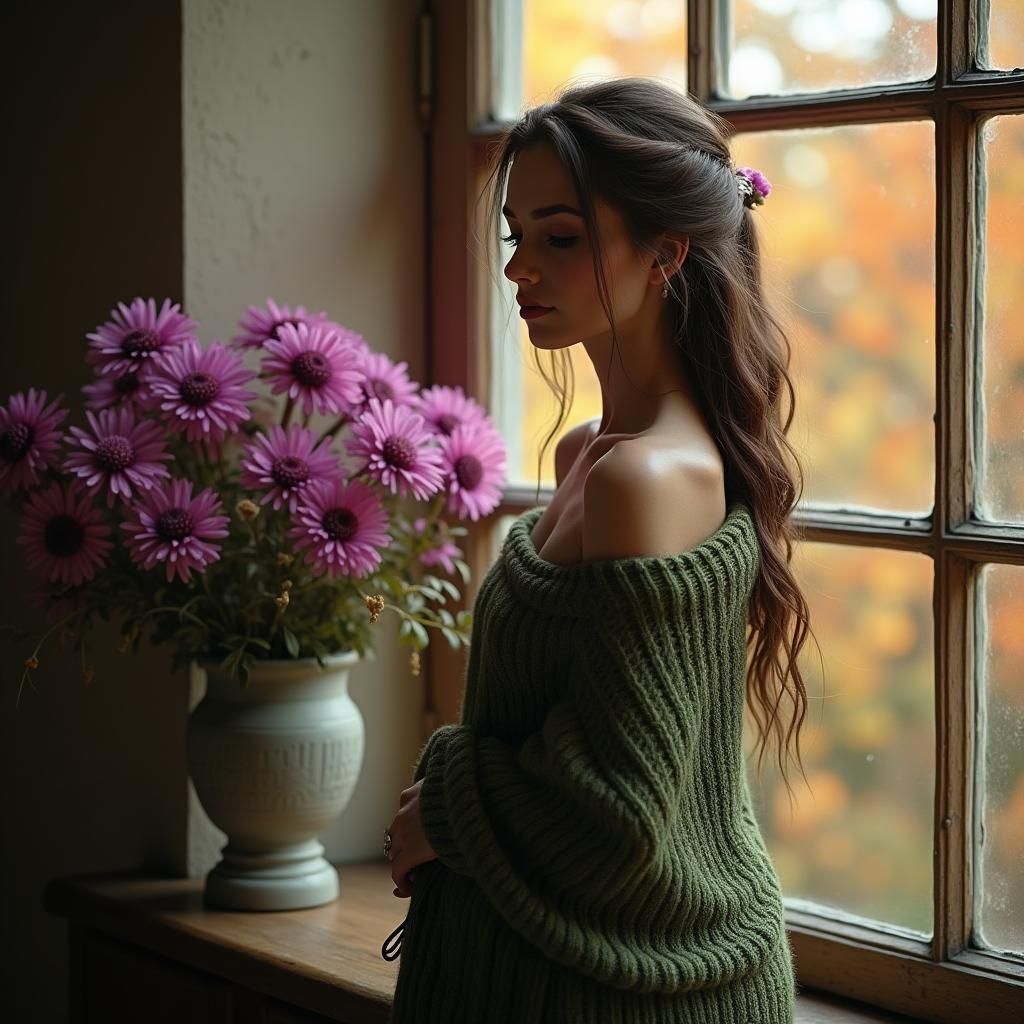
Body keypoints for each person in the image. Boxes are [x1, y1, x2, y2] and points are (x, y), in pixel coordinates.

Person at [381, 76, 814, 1023]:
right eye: (515, 236)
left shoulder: (647, 481)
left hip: (629, 995)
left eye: (561, 237)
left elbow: (616, 813)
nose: (518, 270)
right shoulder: (591, 455)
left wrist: (444, 800)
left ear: (666, 253)